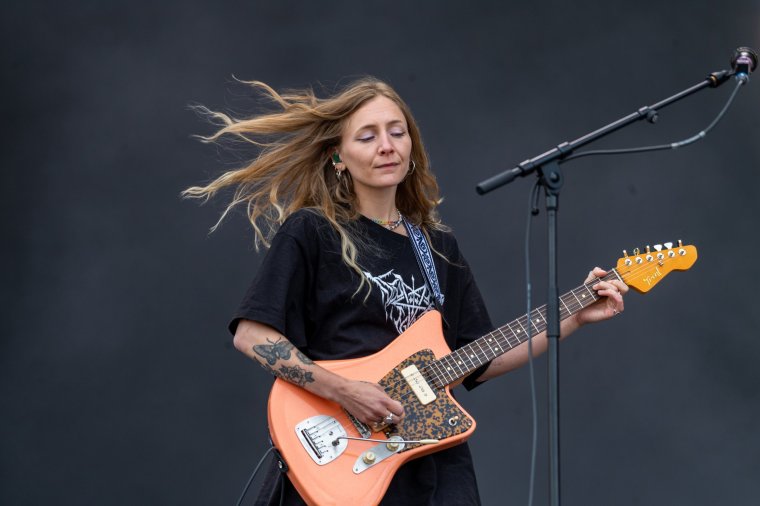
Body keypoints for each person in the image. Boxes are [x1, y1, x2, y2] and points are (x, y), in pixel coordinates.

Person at [184, 78, 628, 505]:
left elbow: (479, 358)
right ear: (338, 156)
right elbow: (253, 335)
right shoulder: (312, 232)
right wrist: (345, 391)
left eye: (397, 133)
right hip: (344, 448)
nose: (386, 146)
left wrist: (572, 316)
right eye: (368, 137)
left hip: (432, 466)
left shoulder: (437, 247)